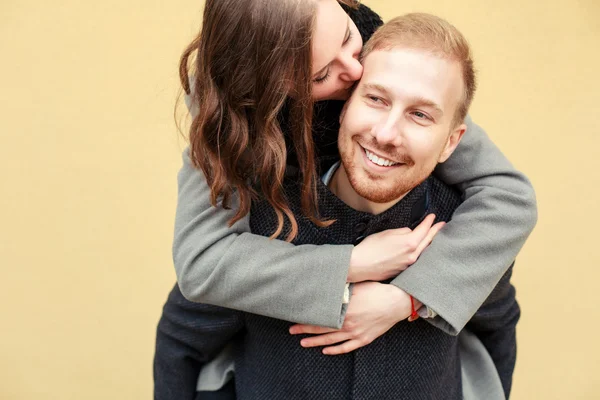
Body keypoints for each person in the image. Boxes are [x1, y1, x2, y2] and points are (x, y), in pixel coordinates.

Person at [155, 13, 520, 399]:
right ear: (343, 104)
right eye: (376, 99)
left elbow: (497, 327)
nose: (386, 133)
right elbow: (184, 335)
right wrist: (349, 265)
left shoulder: (468, 233)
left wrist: (410, 300)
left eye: (420, 114)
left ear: (452, 141)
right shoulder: (261, 225)